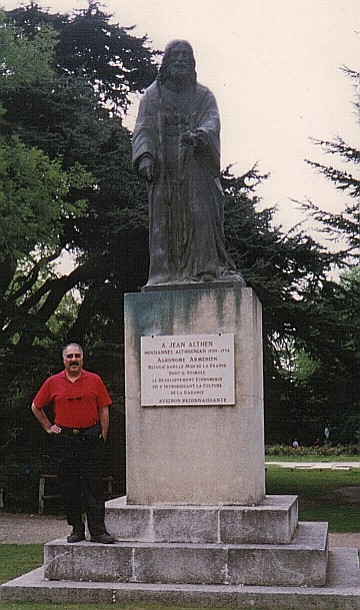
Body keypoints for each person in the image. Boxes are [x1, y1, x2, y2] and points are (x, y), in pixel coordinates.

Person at [132, 39, 246, 287]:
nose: (181, 59)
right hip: (164, 168)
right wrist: (145, 156)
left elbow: (211, 122)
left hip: (195, 165)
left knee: (199, 213)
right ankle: (163, 275)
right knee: (164, 220)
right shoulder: (152, 97)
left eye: (186, 55)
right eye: (176, 55)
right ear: (166, 62)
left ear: (192, 63)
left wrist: (200, 137)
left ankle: (206, 269)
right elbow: (142, 129)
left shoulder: (203, 96)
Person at [31, 343, 115, 544]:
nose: (74, 359)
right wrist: (48, 427)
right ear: (64, 360)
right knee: (70, 485)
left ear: (82, 359)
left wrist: (102, 435)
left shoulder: (94, 380)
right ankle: (77, 529)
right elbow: (36, 406)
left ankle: (97, 531)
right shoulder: (53, 382)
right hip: (65, 440)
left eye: (77, 356)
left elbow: (104, 409)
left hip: (90, 437)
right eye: (70, 356)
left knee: (94, 484)